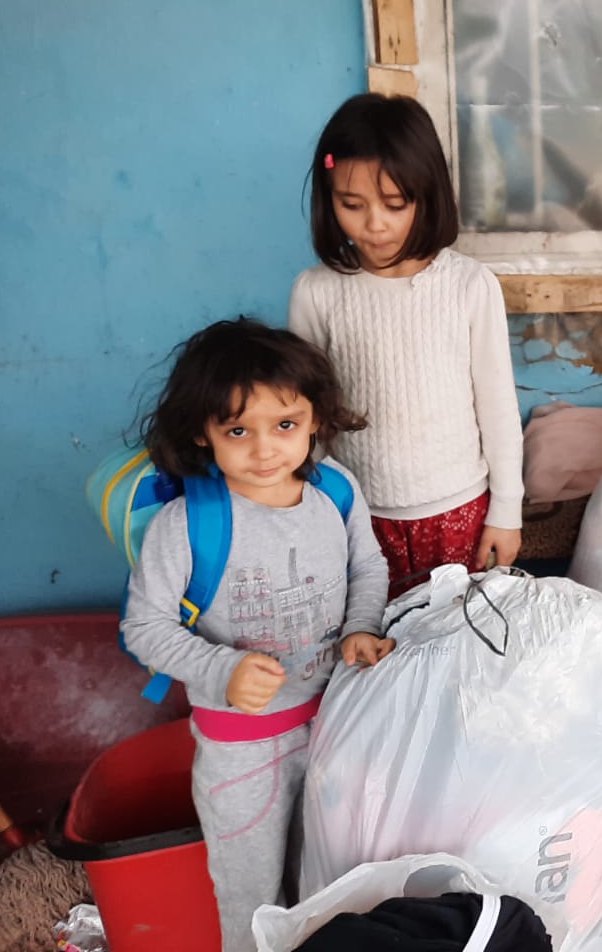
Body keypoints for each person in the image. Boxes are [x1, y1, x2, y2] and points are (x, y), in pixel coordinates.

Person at [120, 319, 393, 952]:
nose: (266, 449)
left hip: (336, 723)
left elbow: (367, 566)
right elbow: (145, 626)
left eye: (286, 425)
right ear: (203, 432)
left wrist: (360, 627)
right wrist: (222, 670)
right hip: (243, 753)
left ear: (315, 418)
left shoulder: (335, 489)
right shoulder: (186, 523)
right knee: (253, 904)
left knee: (331, 885)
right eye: (238, 431)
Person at [289, 93, 525, 592]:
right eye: (351, 205)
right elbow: (305, 414)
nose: (375, 224)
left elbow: (498, 407)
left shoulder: (470, 285)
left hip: (460, 511)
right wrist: (308, 505)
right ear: (328, 199)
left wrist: (507, 510)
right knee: (371, 634)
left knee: (458, 631)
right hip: (357, 514)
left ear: (428, 195)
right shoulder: (316, 291)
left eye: (396, 205)